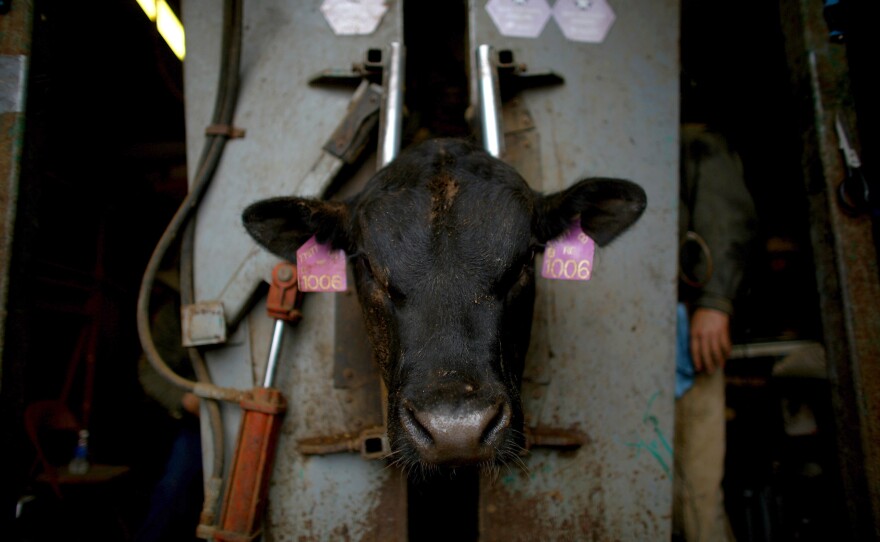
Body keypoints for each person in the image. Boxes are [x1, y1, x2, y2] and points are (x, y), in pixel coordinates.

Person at [674, 123, 758, 542]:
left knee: (698, 495)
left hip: (685, 329)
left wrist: (715, 301)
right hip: (620, 338)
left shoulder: (692, 140)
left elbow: (727, 219)